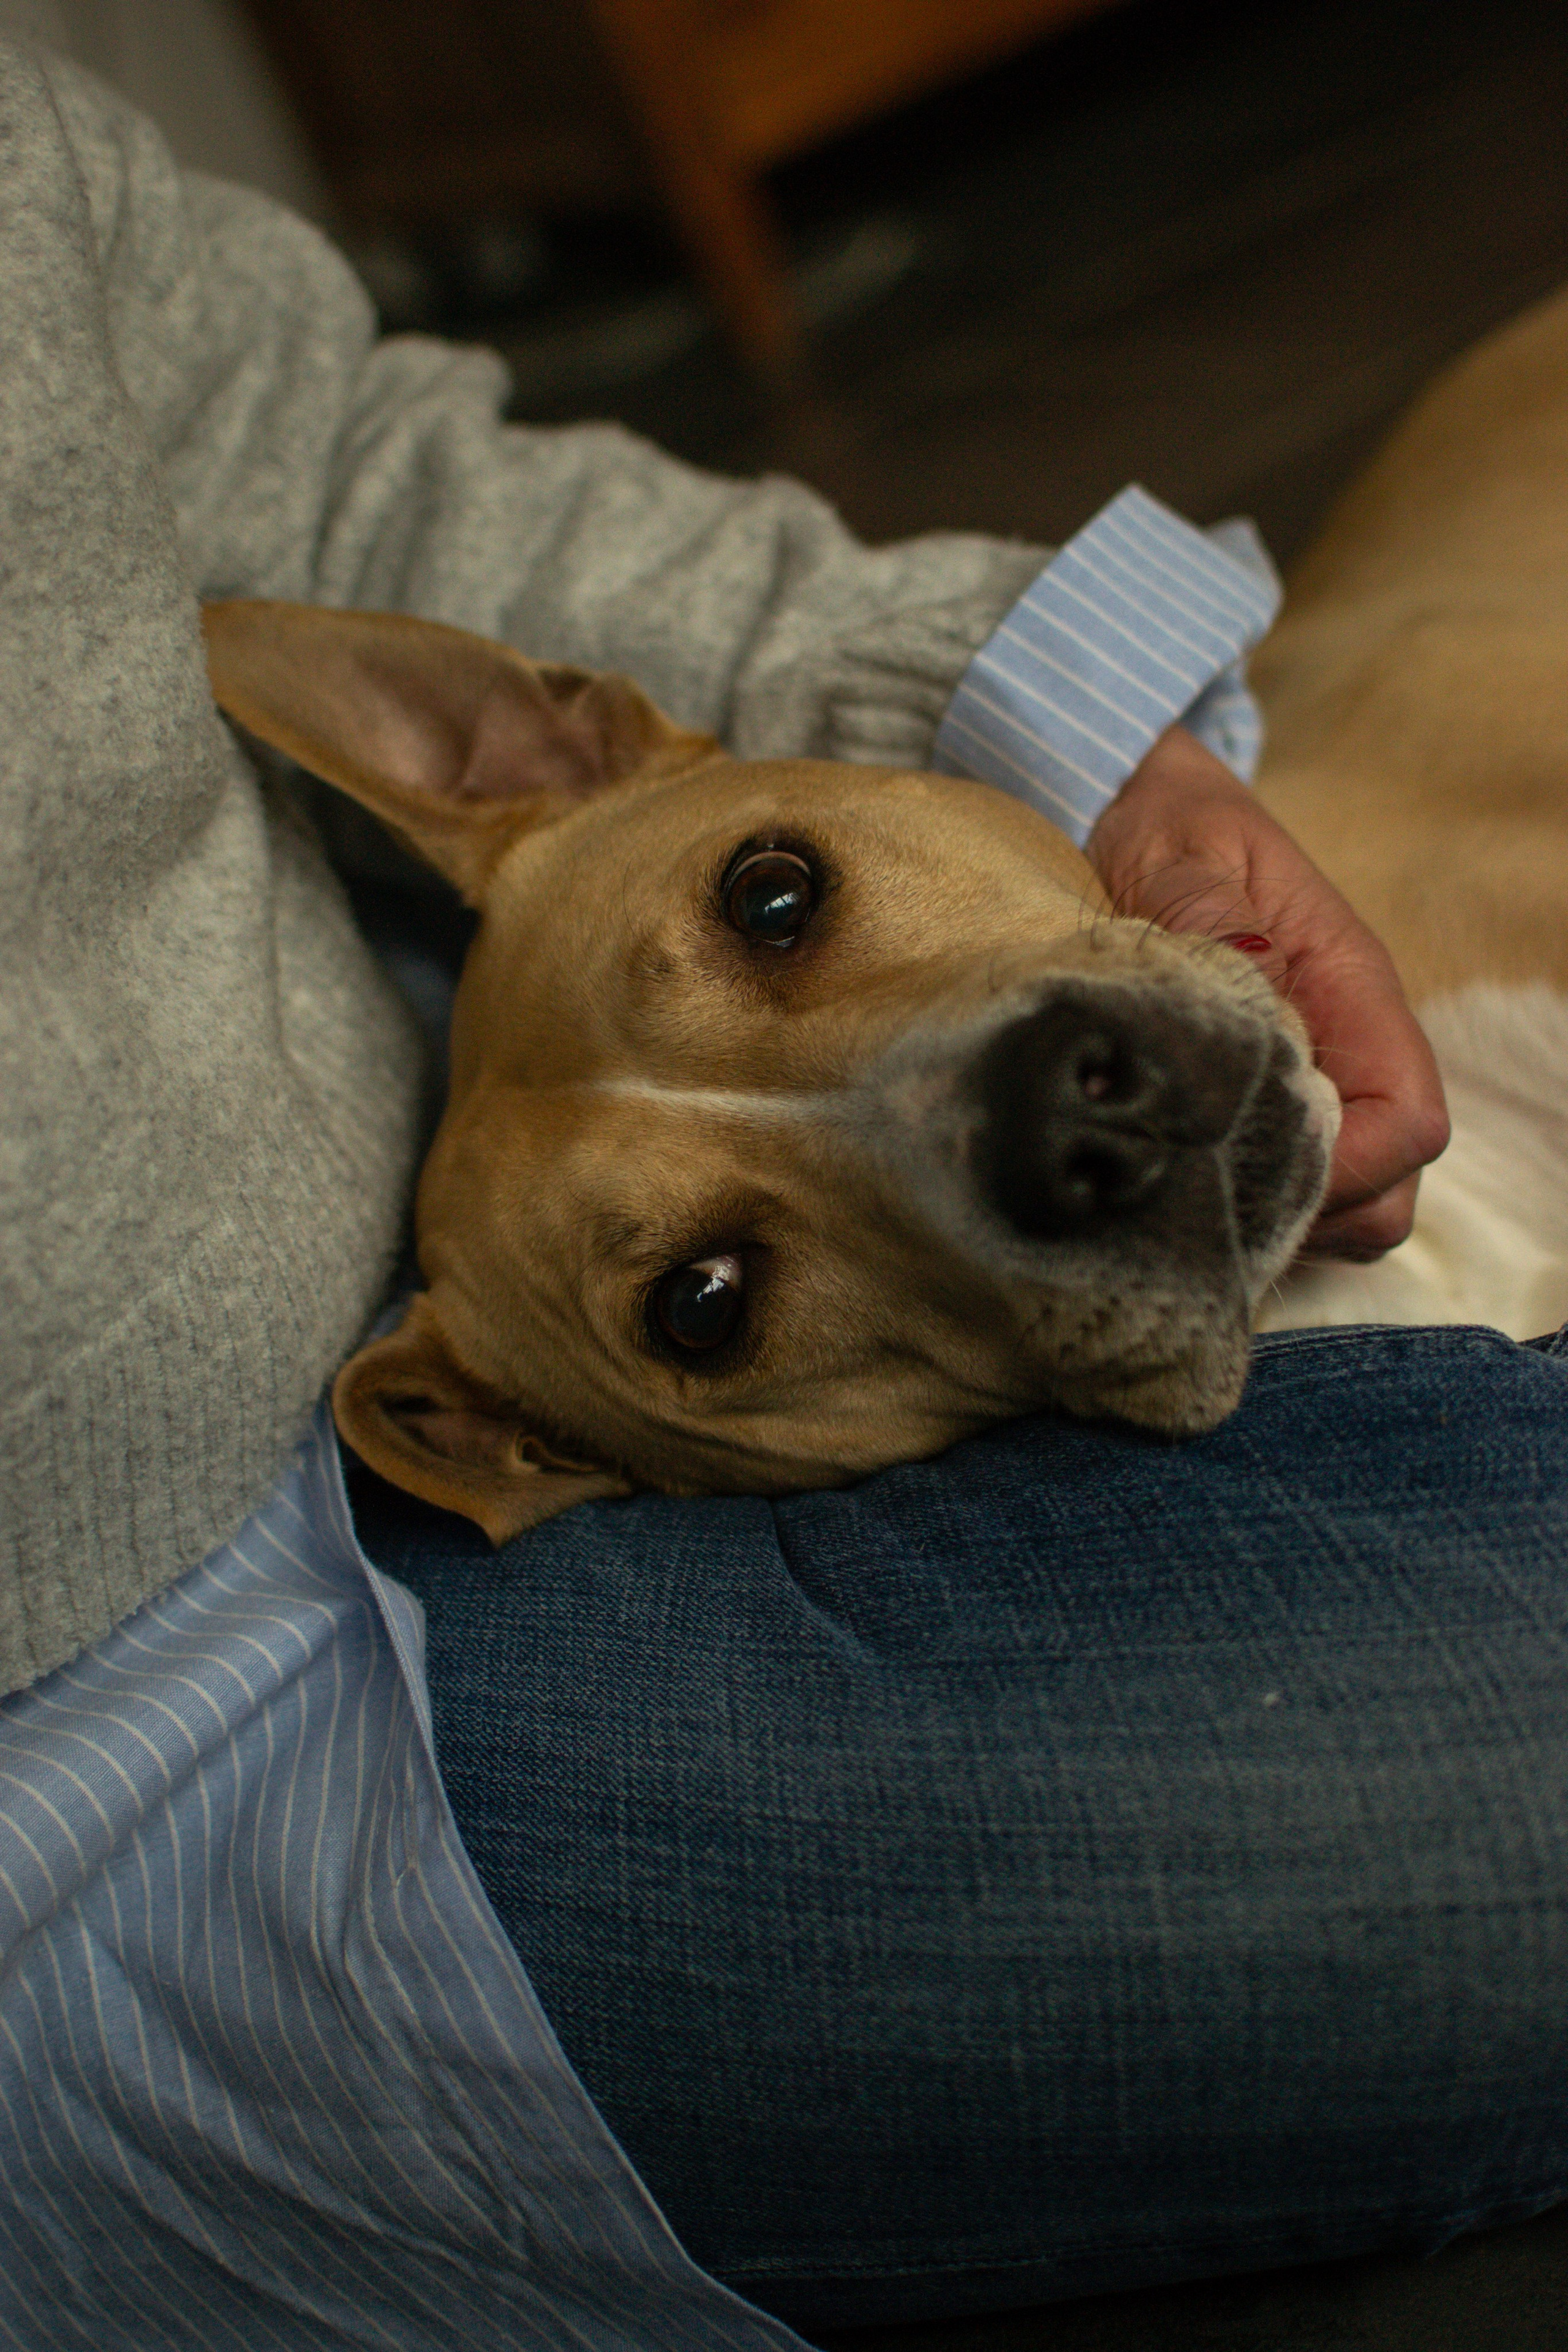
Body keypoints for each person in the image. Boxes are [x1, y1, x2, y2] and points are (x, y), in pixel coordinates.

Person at [4, 32, 1564, 2352]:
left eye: (766, 906)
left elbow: (287, 450)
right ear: (539, 1446)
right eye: (711, 1295)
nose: (1008, 1119)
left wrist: (1059, 719)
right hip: (143, 1801)